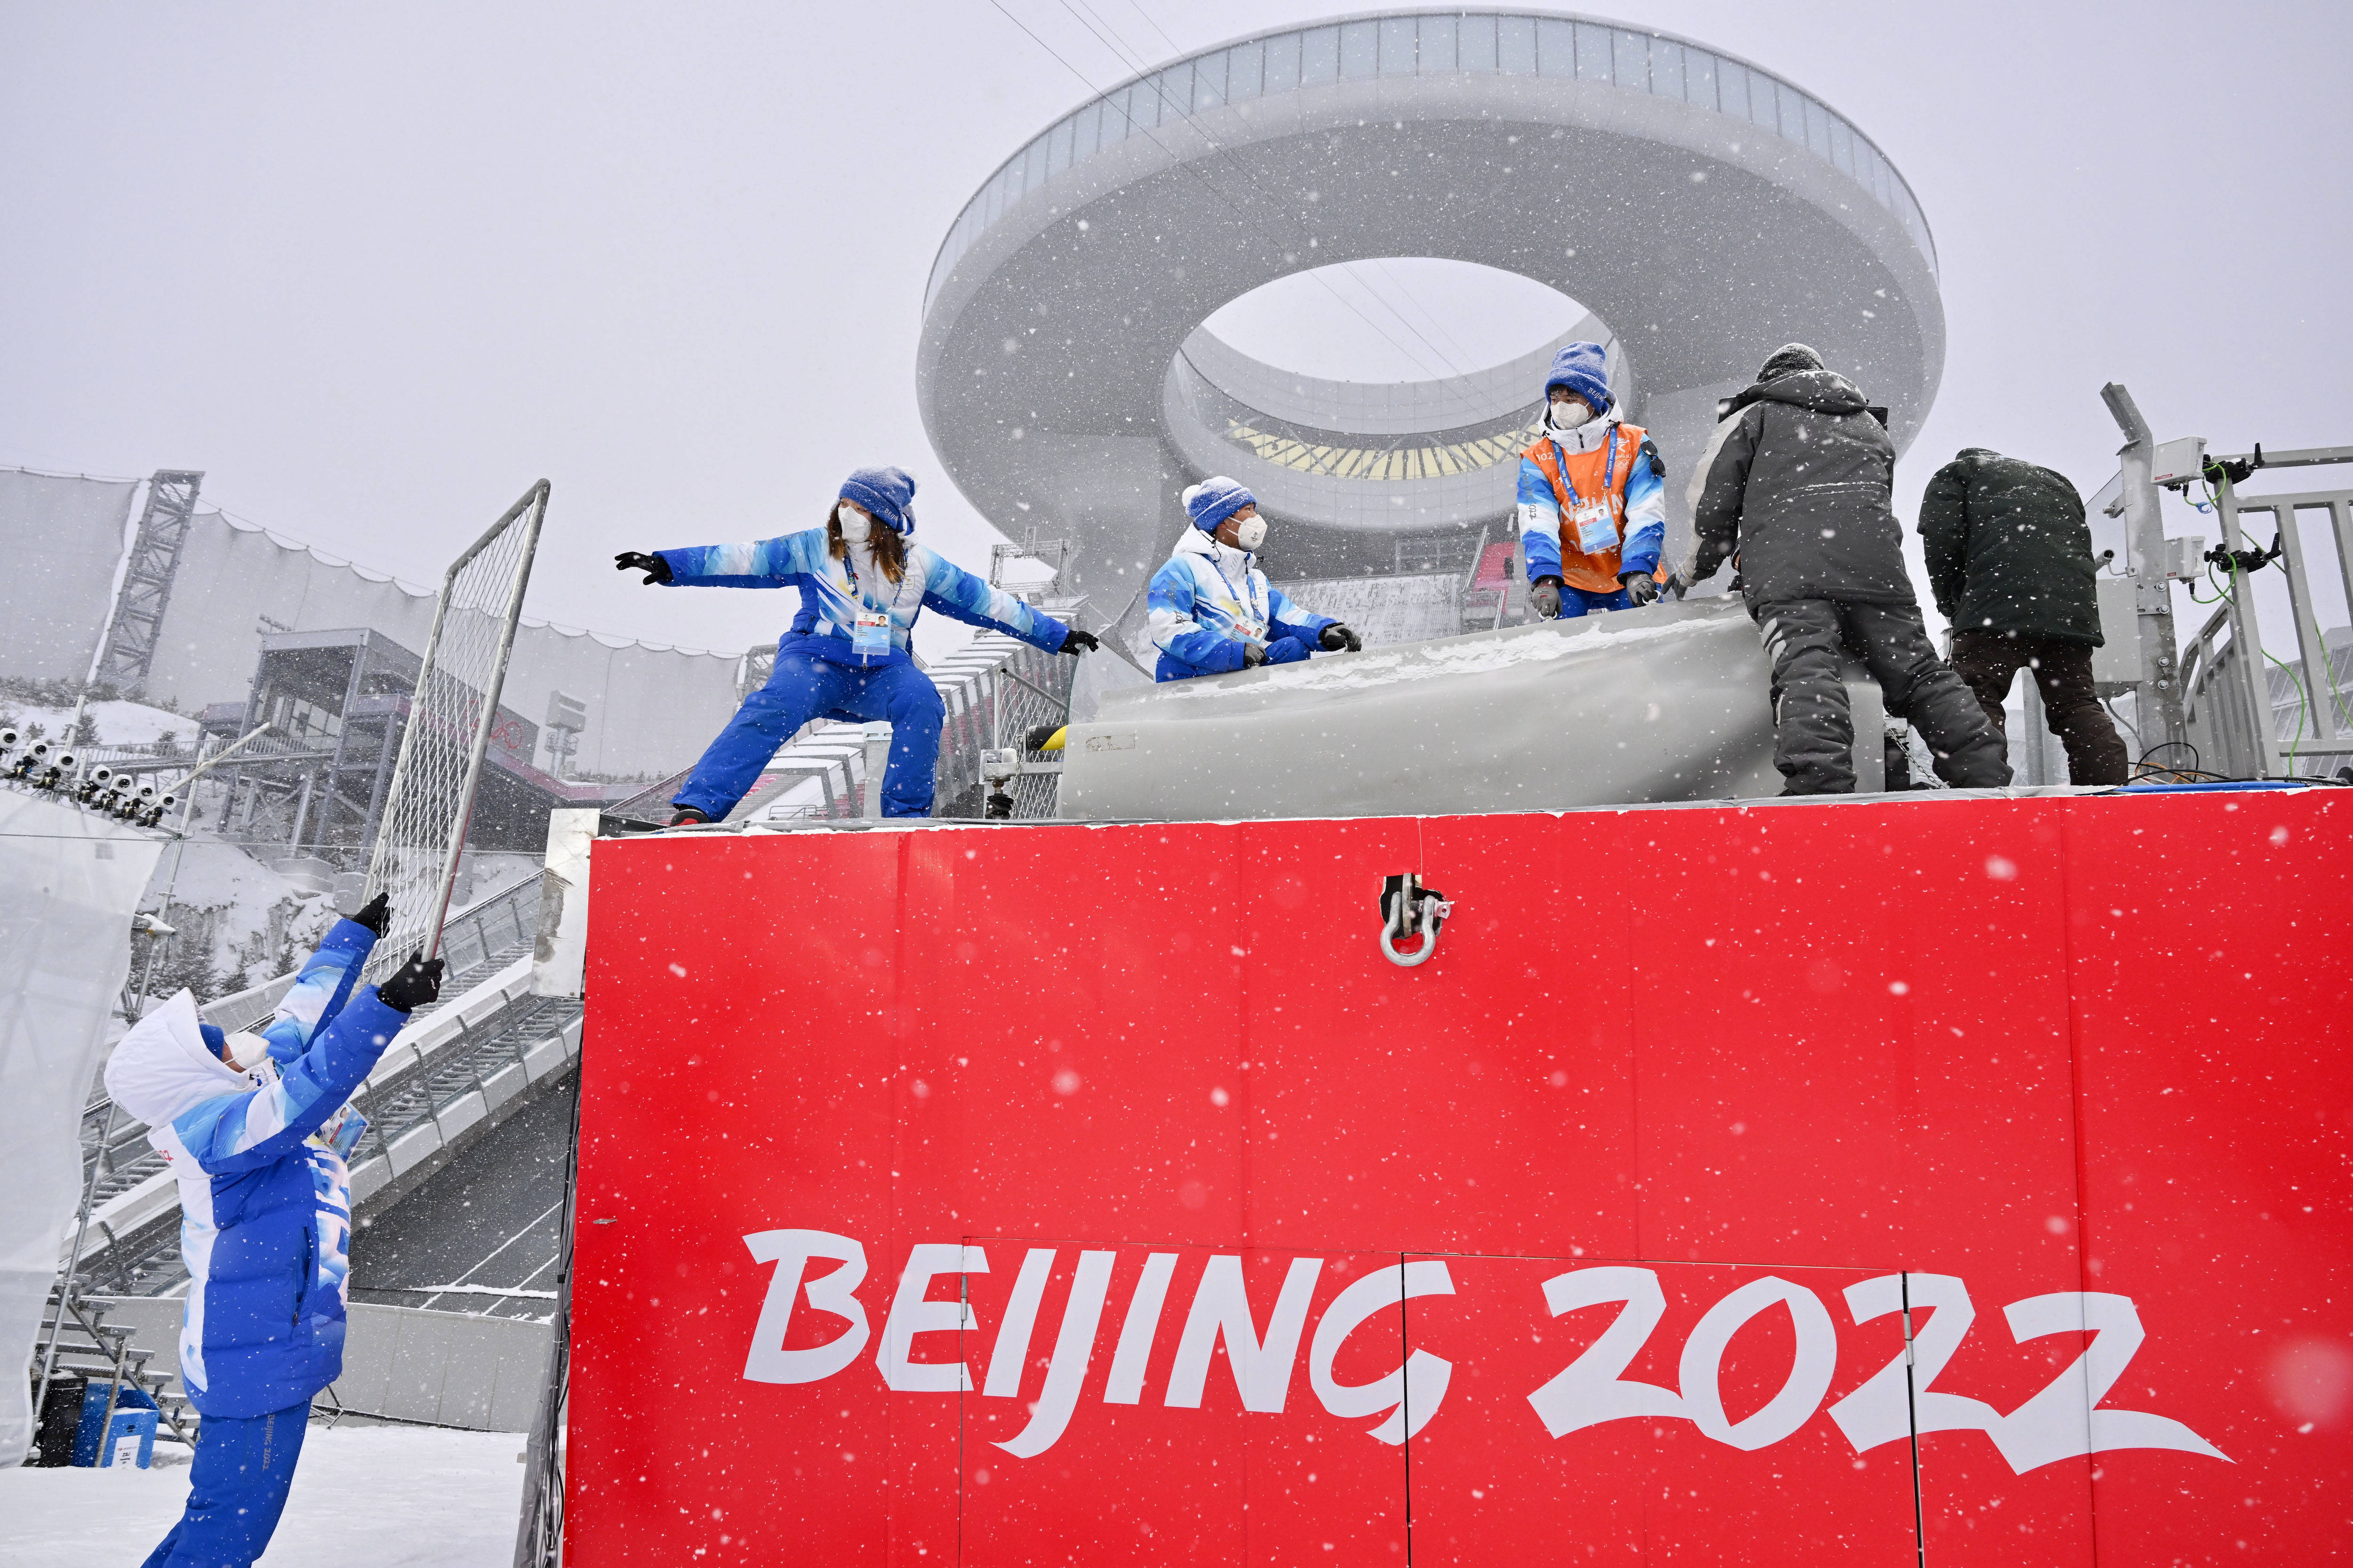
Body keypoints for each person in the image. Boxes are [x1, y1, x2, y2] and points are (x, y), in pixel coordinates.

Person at [103, 894, 444, 1568]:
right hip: (250, 1363)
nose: (235, 1043)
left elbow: (295, 1025)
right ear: (194, 1076)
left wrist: (351, 939)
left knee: (220, 1523)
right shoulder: (215, 1131)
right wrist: (386, 1006)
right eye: (216, 1046)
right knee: (229, 1533)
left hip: (261, 1349)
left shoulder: (228, 1099)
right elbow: (299, 1096)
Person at [615, 466, 1096, 824]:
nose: (848, 513)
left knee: (922, 701)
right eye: (845, 504)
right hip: (815, 658)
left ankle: (903, 818)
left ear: (884, 520)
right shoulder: (814, 547)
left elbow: (988, 601)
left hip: (883, 668)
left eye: (861, 508)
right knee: (774, 703)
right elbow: (745, 557)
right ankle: (701, 806)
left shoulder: (918, 566)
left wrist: (1057, 635)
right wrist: (670, 565)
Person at [1681, 343, 2009, 795]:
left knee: (1807, 667)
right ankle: (1986, 778)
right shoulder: (1869, 425)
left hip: (1792, 575)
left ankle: (1822, 786)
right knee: (1919, 673)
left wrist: (1695, 569)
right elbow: (1875, 498)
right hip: (1877, 572)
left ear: (1770, 379)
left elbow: (1712, 502)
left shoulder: (1755, 415)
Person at [1920, 448, 2129, 785]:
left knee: (1976, 697)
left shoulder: (1959, 474)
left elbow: (1942, 542)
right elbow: (2077, 544)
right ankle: (2105, 794)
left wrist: (1954, 608)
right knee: (2077, 703)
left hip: (1993, 609)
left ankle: (1983, 795)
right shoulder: (2056, 481)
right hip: (2067, 617)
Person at [1146, 477, 1359, 681]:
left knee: (1293, 648)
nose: (1255, 518)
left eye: (1254, 510)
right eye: (1248, 510)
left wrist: (1325, 631)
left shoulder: (1253, 578)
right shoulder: (1181, 569)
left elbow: (1287, 617)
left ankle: (1282, 712)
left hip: (1242, 675)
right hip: (1198, 679)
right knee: (1171, 663)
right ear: (1222, 520)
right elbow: (1168, 629)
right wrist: (1232, 653)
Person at [1514, 341, 1669, 619]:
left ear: (1594, 398)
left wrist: (1638, 567)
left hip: (1630, 571)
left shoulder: (1633, 443)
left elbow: (1647, 510)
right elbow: (1538, 522)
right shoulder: (1537, 458)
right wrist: (1545, 577)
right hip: (1570, 577)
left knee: (1649, 643)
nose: (1561, 404)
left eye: (1571, 395)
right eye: (1555, 395)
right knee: (1562, 653)